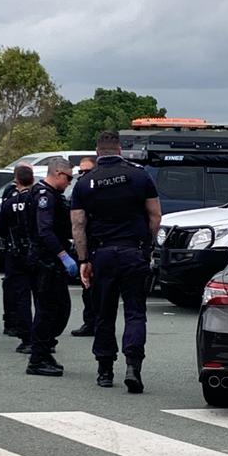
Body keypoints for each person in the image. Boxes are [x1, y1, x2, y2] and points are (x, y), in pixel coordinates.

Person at [70, 130, 161, 392]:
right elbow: (155, 216)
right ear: (119, 149)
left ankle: (105, 370)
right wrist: (147, 244)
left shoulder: (86, 183)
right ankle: (133, 366)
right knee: (135, 311)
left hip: (102, 254)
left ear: (98, 152)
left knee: (104, 313)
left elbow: (77, 224)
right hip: (133, 252)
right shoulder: (139, 176)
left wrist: (83, 259)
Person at [26, 156, 75, 377]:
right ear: (58, 173)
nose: (69, 183)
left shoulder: (54, 195)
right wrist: (63, 255)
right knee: (47, 310)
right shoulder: (44, 196)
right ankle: (38, 358)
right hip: (45, 259)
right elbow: (45, 231)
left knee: (60, 308)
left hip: (51, 260)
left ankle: (44, 350)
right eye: (68, 178)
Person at [0, 164, 35, 353]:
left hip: (16, 253)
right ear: (33, 179)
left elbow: (1, 230)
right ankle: (45, 339)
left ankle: (27, 337)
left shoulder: (9, 202)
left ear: (16, 180)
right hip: (36, 252)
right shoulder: (37, 198)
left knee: (21, 297)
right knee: (43, 297)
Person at [70, 156, 97, 337]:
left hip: (99, 243)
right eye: (81, 172)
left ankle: (96, 323)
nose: (83, 175)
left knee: (97, 289)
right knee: (87, 289)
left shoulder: (98, 189)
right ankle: (90, 322)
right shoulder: (80, 188)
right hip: (85, 243)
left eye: (87, 171)